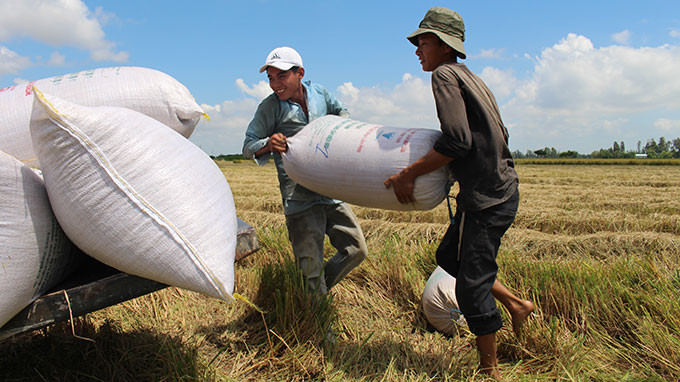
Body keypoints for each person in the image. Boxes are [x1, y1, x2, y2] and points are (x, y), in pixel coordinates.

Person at [383, 7, 534, 378]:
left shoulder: (445, 76)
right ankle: (516, 304)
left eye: (424, 41)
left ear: (445, 46)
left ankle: (490, 370)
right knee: (449, 256)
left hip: (488, 198)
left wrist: (408, 174)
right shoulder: (472, 78)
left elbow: (458, 141)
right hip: (493, 189)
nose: (418, 49)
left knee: (469, 290)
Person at [243, 46, 368, 295]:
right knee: (311, 270)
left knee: (356, 250)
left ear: (300, 73)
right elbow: (248, 145)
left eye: (281, 76)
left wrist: (338, 128)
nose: (274, 84)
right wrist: (268, 144)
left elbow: (342, 112)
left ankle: (311, 293)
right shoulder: (269, 108)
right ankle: (316, 318)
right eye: (270, 77)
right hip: (299, 198)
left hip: (330, 190)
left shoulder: (319, 93)